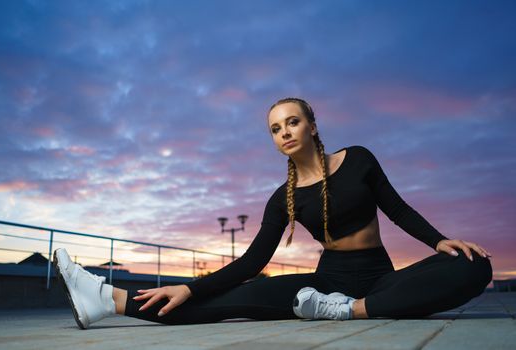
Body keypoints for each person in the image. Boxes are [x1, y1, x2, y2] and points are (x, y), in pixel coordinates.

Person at [53, 97, 492, 329]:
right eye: (276, 128)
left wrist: (438, 241)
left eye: (293, 122)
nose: (284, 132)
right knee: (228, 302)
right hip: (324, 285)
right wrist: (190, 287)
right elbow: (252, 263)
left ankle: (351, 311)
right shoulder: (281, 197)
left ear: (312, 126)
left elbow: (397, 209)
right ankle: (108, 301)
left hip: (379, 278)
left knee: (475, 266)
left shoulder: (358, 158)